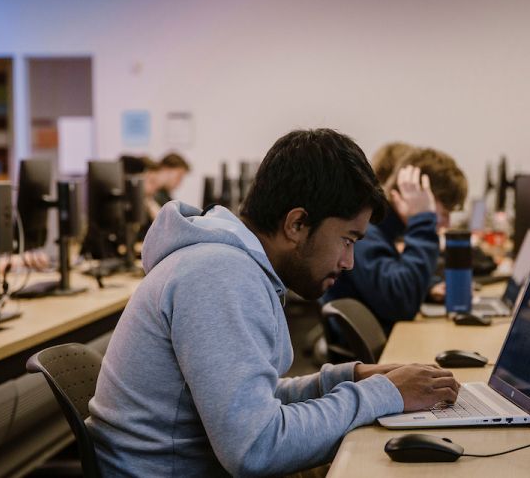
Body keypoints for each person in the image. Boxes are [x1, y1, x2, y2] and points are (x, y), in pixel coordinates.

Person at [86, 129, 459, 476]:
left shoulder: (232, 267)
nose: (349, 262)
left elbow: (251, 401)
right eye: (347, 239)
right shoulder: (218, 274)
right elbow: (256, 446)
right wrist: (384, 394)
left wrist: (349, 378)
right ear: (296, 224)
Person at [323, 147, 467, 333]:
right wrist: (423, 220)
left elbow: (388, 278)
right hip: (372, 356)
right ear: (416, 193)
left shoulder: (383, 229)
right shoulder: (364, 232)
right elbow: (401, 303)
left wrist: (427, 288)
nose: (446, 223)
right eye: (444, 212)